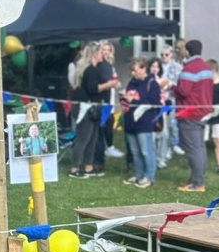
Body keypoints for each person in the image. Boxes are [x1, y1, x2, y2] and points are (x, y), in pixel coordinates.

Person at [69, 42, 120, 178]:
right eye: (100, 52)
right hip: (85, 109)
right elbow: (93, 89)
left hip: (93, 108)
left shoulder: (93, 69)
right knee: (84, 139)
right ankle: (74, 168)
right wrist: (109, 84)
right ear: (94, 54)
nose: (102, 55)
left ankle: (88, 167)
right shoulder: (89, 70)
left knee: (93, 138)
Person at [172, 40, 214, 192]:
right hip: (203, 111)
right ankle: (197, 178)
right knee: (200, 147)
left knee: (193, 149)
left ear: (187, 51)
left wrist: (172, 87)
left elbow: (184, 91)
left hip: (190, 113)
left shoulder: (189, 68)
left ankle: (197, 183)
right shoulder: (206, 68)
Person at [121, 58, 161, 188]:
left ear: (144, 68)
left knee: (146, 151)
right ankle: (138, 175)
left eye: (135, 70)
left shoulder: (152, 83)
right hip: (130, 121)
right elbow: (127, 100)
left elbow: (154, 103)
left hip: (144, 122)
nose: (133, 73)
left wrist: (134, 101)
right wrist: (123, 98)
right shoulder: (132, 83)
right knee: (135, 152)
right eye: (132, 71)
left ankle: (149, 177)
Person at [94, 42, 123, 174]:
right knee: (105, 123)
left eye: (107, 50)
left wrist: (116, 84)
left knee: (109, 122)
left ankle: (109, 146)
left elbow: (114, 80)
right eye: (103, 49)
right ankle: (107, 148)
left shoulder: (110, 65)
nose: (105, 52)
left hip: (110, 98)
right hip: (103, 100)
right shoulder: (101, 66)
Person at [160, 45, 184, 158]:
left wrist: (169, 85)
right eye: (162, 55)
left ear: (171, 54)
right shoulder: (159, 66)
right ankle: (166, 147)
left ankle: (175, 144)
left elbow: (179, 82)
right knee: (163, 124)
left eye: (166, 54)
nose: (164, 57)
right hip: (161, 98)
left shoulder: (177, 67)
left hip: (172, 97)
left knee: (173, 123)